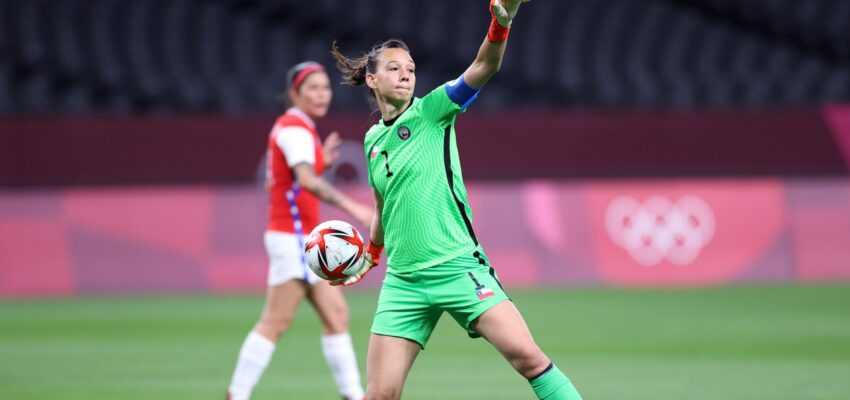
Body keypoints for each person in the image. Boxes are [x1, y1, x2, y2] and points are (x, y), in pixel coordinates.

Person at [329, 1, 583, 399]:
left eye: (411, 69)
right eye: (394, 68)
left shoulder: (433, 111)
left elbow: (485, 67)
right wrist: (371, 254)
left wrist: (502, 22)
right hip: (404, 282)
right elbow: (383, 205)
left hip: (457, 267)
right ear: (373, 80)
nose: (406, 75)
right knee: (380, 395)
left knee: (528, 359)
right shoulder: (372, 140)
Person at [226, 61, 373, 400]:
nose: (322, 94)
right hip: (293, 238)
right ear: (295, 93)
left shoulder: (295, 128)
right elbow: (305, 181)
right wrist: (355, 209)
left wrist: (320, 160)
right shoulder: (294, 127)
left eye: (325, 87)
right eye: (313, 88)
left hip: (299, 238)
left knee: (336, 314)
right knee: (275, 321)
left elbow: (290, 178)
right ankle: (237, 393)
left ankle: (353, 395)